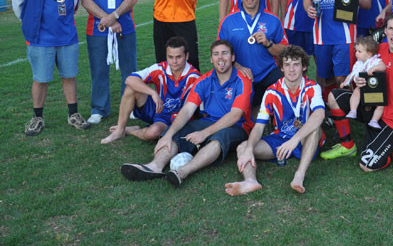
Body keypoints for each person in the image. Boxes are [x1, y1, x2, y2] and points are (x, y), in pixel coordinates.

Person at [120, 40, 253, 187]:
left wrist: (204, 133)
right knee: (180, 132)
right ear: (211, 59)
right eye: (216, 54)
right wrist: (169, 135)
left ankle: (182, 172)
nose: (220, 58)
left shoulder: (243, 80)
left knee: (219, 139)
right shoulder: (204, 80)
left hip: (237, 126)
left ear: (233, 57)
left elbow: (235, 115)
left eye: (224, 53)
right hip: (208, 121)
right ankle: (154, 166)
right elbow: (187, 109)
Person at [321, 13, 393, 172]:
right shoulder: (378, 49)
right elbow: (360, 71)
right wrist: (358, 82)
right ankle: (347, 145)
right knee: (334, 96)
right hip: (372, 107)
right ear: (385, 31)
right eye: (390, 28)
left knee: (367, 165)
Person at [11, 0, 90, 135]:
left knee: (69, 76)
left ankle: (73, 114)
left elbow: (75, 1)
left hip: (67, 35)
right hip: (40, 37)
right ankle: (37, 118)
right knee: (41, 78)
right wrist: (29, 22)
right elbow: (17, 0)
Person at [225, 45, 325, 196]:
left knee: (315, 128)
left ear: (304, 67)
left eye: (296, 64)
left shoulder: (312, 87)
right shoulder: (272, 91)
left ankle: (299, 175)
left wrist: (295, 140)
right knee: (243, 147)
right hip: (280, 140)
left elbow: (319, 115)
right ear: (281, 68)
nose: (291, 69)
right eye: (287, 65)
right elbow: (259, 127)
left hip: (304, 138)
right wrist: (250, 149)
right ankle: (251, 181)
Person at [81, 0, 140, 124]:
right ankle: (99, 108)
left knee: (129, 70)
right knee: (99, 70)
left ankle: (130, 106)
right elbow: (86, 0)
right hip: (97, 30)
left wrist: (114, 16)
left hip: (125, 28)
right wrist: (106, 20)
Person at [100, 37, 200, 144]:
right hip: (158, 109)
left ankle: (131, 131)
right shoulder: (160, 68)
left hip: (177, 120)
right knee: (131, 88)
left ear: (187, 56)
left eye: (178, 57)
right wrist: (153, 93)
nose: (174, 61)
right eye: (170, 57)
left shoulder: (195, 77)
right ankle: (119, 130)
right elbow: (130, 79)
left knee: (152, 133)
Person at [218, 0, 288, 107]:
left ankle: (278, 118)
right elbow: (219, 55)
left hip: (268, 74)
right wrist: (238, 67)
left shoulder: (273, 19)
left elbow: (285, 50)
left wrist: (268, 44)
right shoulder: (228, 21)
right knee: (245, 115)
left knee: (287, 82)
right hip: (240, 75)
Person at [342, 35, 386, 128]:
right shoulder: (358, 63)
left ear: (369, 54)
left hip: (375, 88)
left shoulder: (374, 60)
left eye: (359, 51)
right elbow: (352, 74)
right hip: (363, 86)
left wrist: (375, 68)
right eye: (356, 51)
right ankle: (353, 110)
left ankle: (374, 120)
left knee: (381, 104)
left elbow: (383, 66)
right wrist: (345, 82)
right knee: (356, 92)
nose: (356, 53)